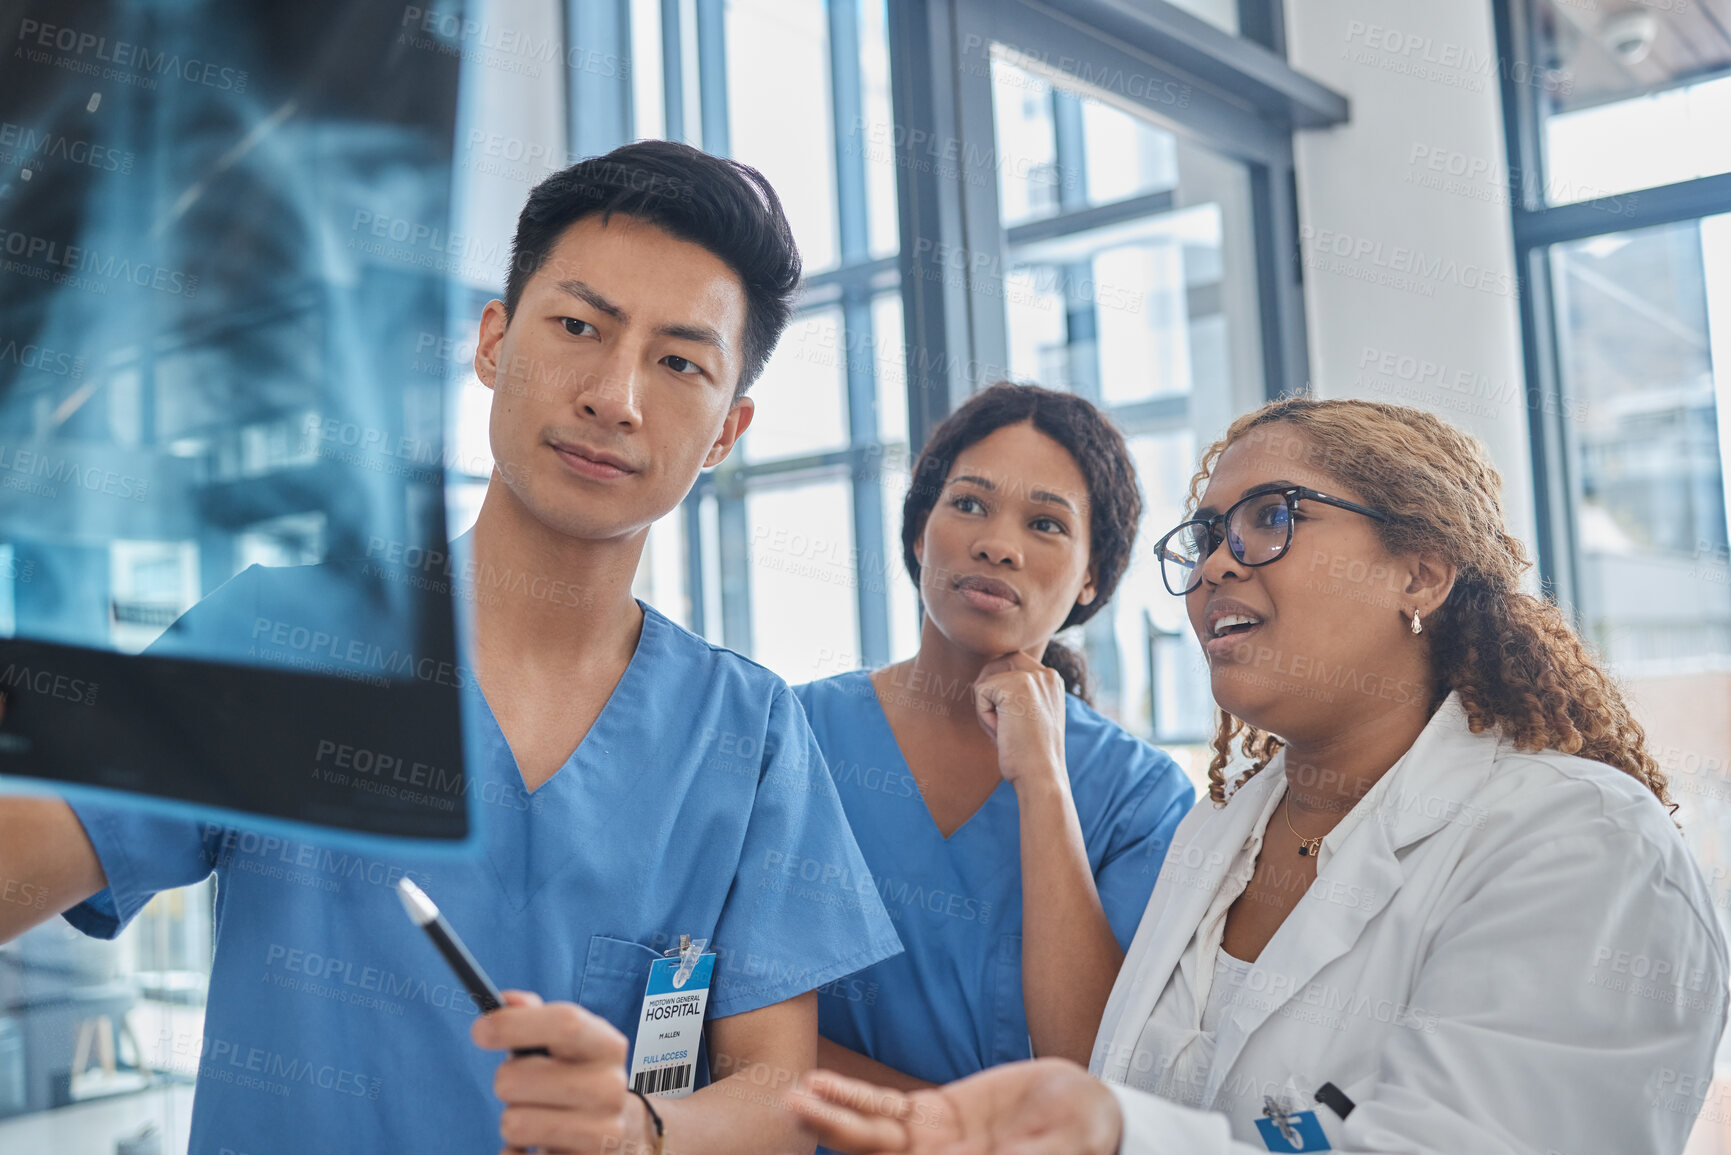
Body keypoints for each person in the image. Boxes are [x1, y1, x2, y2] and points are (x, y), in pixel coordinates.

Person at [0, 140, 902, 1155]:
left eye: (680, 362)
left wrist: (642, 1129)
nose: (616, 396)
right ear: (491, 341)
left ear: (728, 430)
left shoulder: (750, 732)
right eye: (577, 326)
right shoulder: (282, 640)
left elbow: (776, 1097)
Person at [787, 396, 1728, 1155]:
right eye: (1204, 537)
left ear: (1421, 573)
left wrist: (1112, 1133)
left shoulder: (1580, 845)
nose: (1212, 568)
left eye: (1271, 517)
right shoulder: (1220, 833)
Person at [791, 383, 1193, 1095]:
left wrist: (1042, 781)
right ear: (920, 531)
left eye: (1046, 524)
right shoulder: (793, 735)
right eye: (969, 504)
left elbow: (1096, 1065)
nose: (997, 545)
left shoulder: (1140, 798)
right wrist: (952, 1133)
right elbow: (736, 1025)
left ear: (1092, 576)